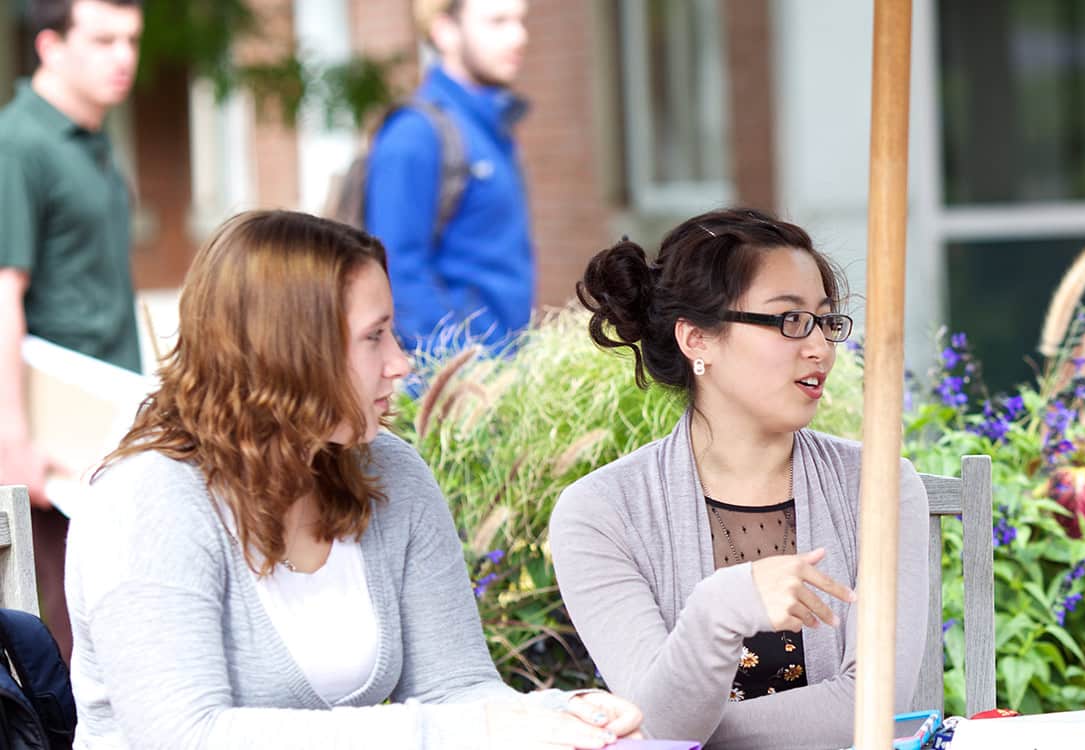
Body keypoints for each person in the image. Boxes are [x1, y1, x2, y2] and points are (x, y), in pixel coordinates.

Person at [70, 210, 644, 748]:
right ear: (288, 353)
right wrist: (434, 732)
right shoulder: (149, 499)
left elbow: (458, 691)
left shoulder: (389, 472)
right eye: (375, 337)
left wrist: (558, 715)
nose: (401, 362)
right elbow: (184, 737)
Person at [550, 208, 930, 749]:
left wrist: (686, 732)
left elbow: (873, 705)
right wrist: (723, 606)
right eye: (789, 320)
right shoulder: (602, 514)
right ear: (697, 340)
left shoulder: (879, 486)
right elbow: (660, 729)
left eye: (825, 320)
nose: (820, 347)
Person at [0, 0, 145, 659]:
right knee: (64, 653)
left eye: (131, 40)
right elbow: (4, 292)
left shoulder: (97, 145)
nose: (124, 57)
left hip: (109, 433)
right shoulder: (17, 143)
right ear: (50, 46)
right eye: (104, 39)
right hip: (49, 446)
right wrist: (13, 439)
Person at [365, 0, 533, 352]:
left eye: (520, 20)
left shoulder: (492, 129)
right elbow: (397, 273)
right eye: (498, 21)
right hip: (459, 390)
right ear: (445, 31)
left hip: (508, 373)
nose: (519, 36)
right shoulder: (415, 134)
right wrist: (468, 378)